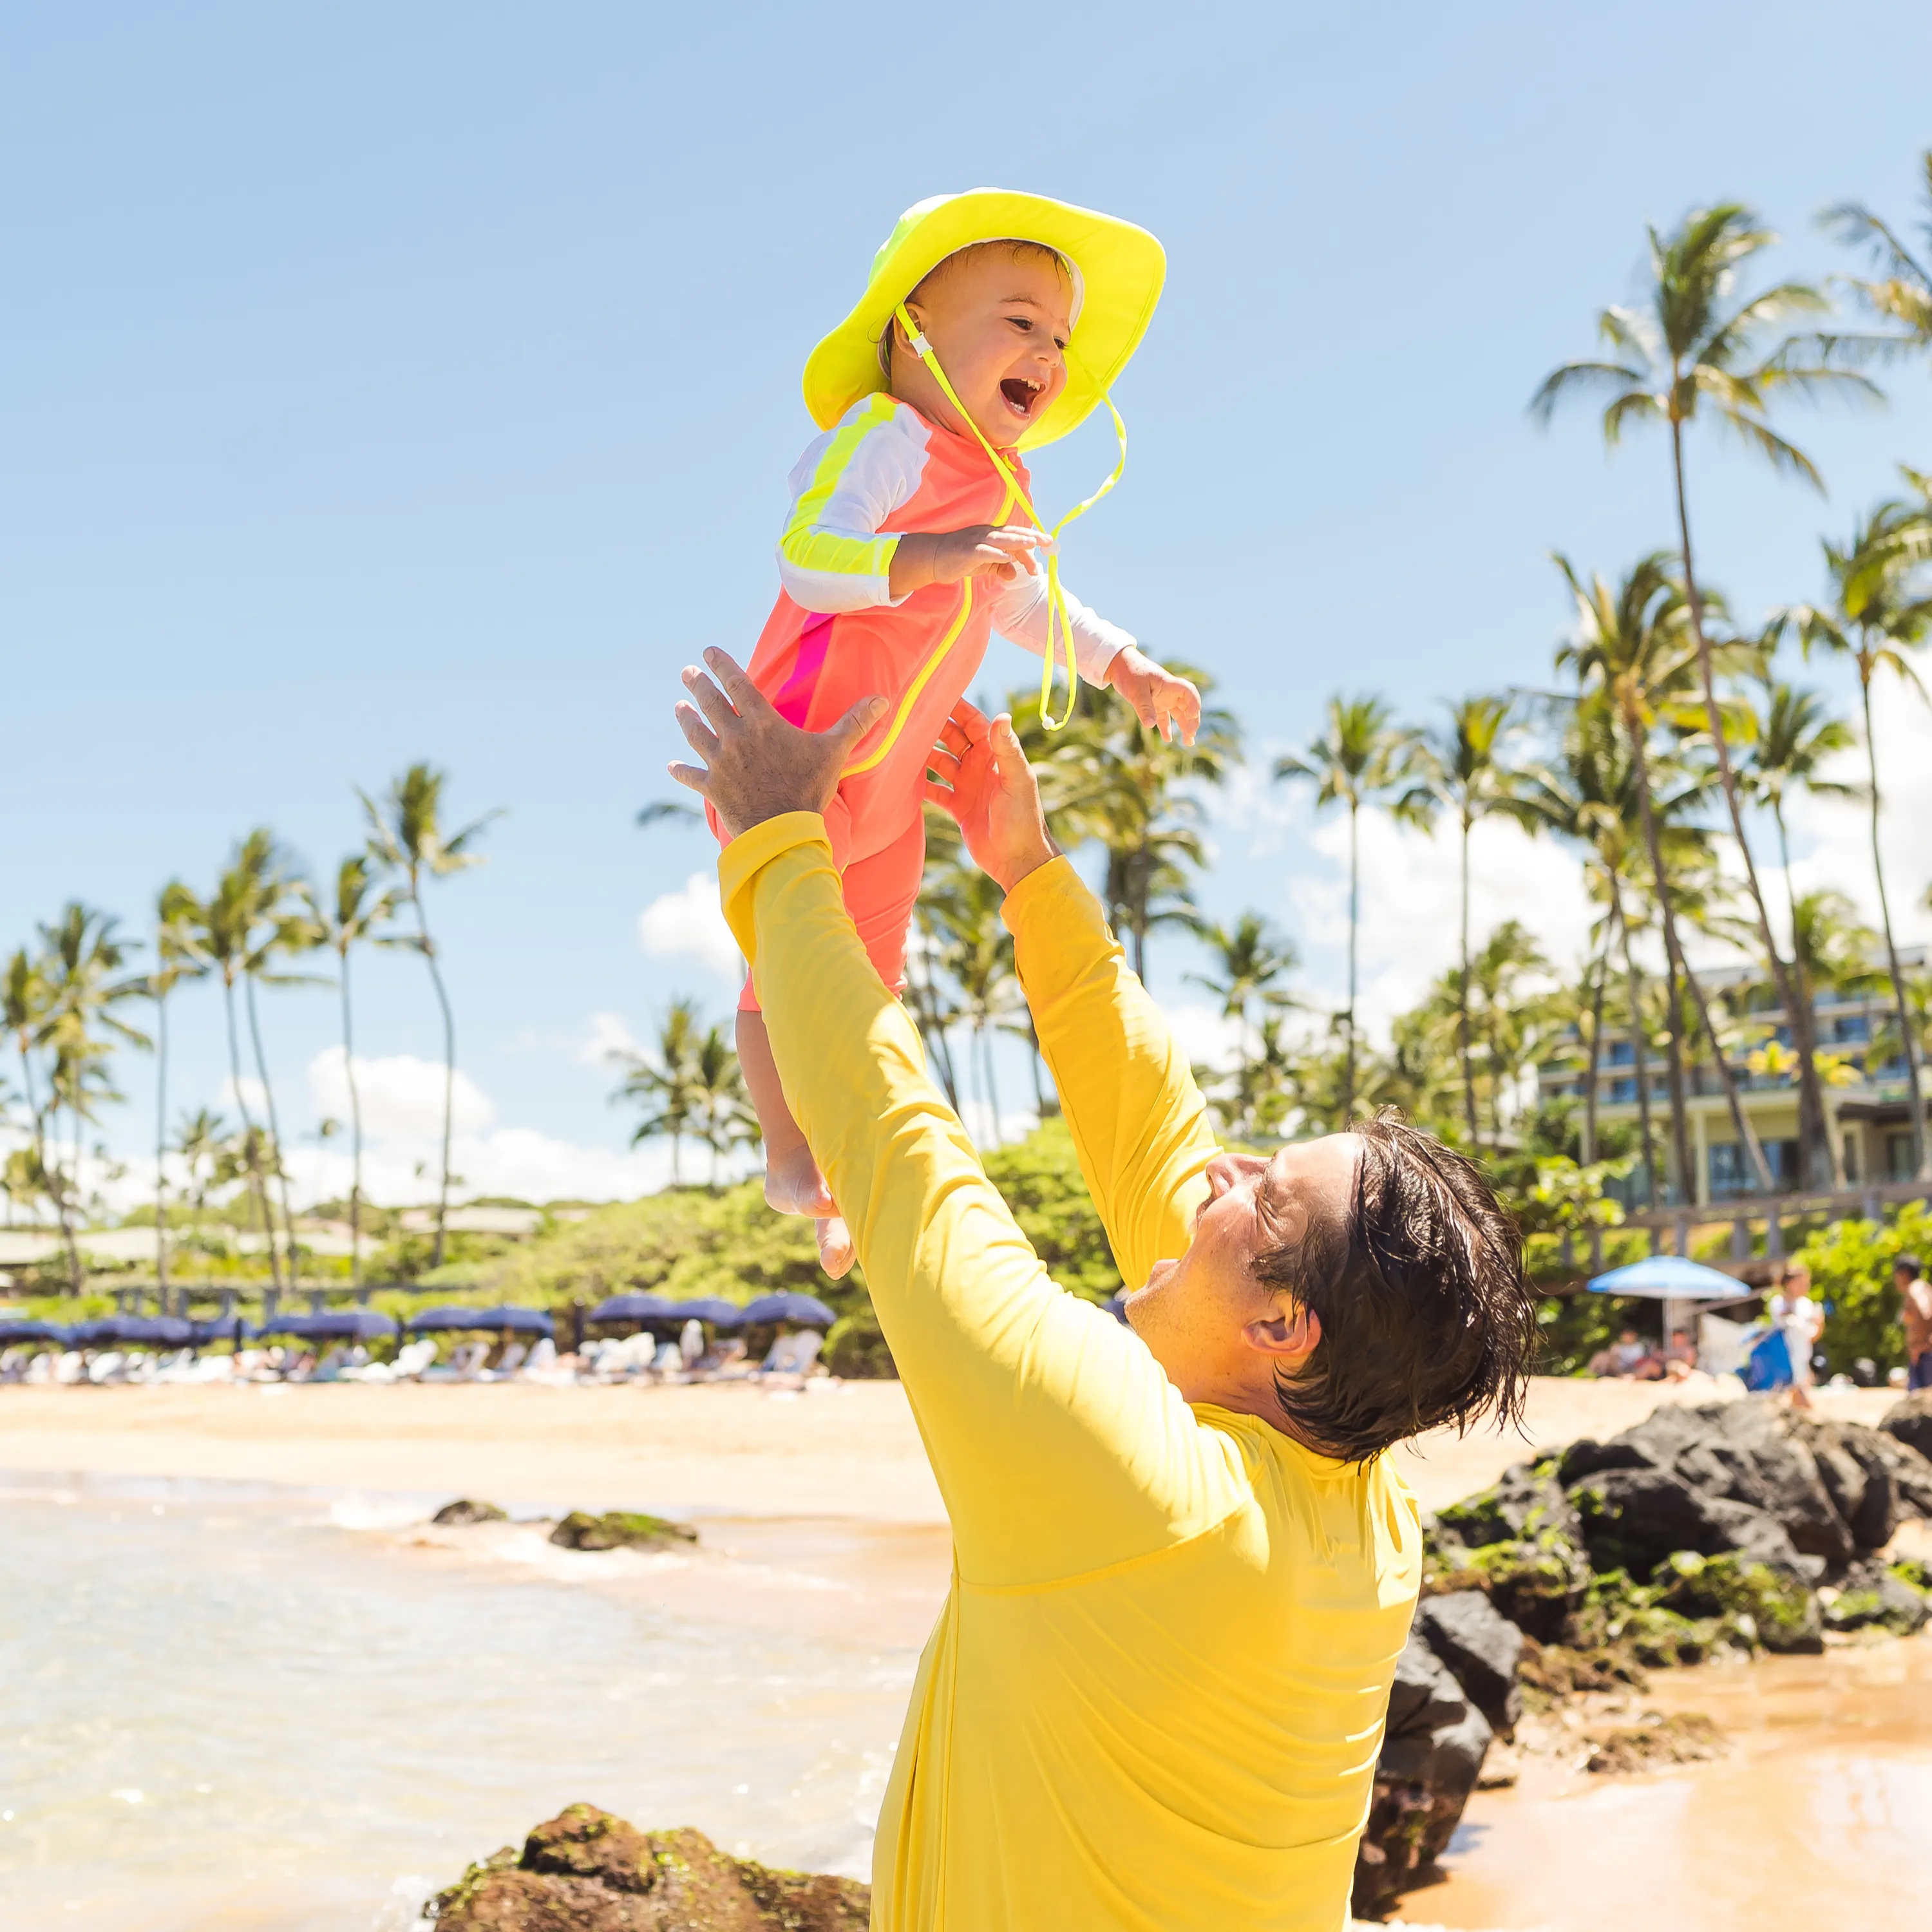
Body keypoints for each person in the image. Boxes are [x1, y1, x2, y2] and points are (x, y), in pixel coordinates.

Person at [668, 652, 1539, 1931]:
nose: (1221, 1169)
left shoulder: (1129, 1480)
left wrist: (780, 845)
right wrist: (1028, 872)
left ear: (1284, 1327)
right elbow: (1155, 1135)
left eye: (1267, 1192)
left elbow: (905, 1157)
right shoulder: (1362, 1505)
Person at [717, 189, 1202, 1280]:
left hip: (892, 797)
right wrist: (935, 554)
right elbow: (807, 554)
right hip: (798, 758)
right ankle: (787, 1149)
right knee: (782, 967)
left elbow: (1025, 604)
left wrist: (1122, 662)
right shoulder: (888, 438)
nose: (1050, 353)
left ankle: (844, 1168)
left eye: (1062, 339)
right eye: (1022, 321)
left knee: (867, 986)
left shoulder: (1005, 488)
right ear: (915, 332)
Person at [1769, 1264, 1823, 1410]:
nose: (1805, 1287)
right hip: (1784, 1359)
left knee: (1798, 1402)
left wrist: (1820, 1324)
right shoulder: (1778, 1303)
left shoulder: (1806, 1305)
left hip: (1802, 1359)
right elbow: (1783, 1323)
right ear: (1790, 1283)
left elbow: (1812, 1336)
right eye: (1801, 1283)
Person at [1897, 1253, 1932, 1391]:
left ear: (1904, 1273)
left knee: (1920, 1403)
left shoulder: (1915, 1289)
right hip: (1924, 1354)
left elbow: (1927, 1313)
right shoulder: (1925, 1287)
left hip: (1925, 1356)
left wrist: (1922, 1345)